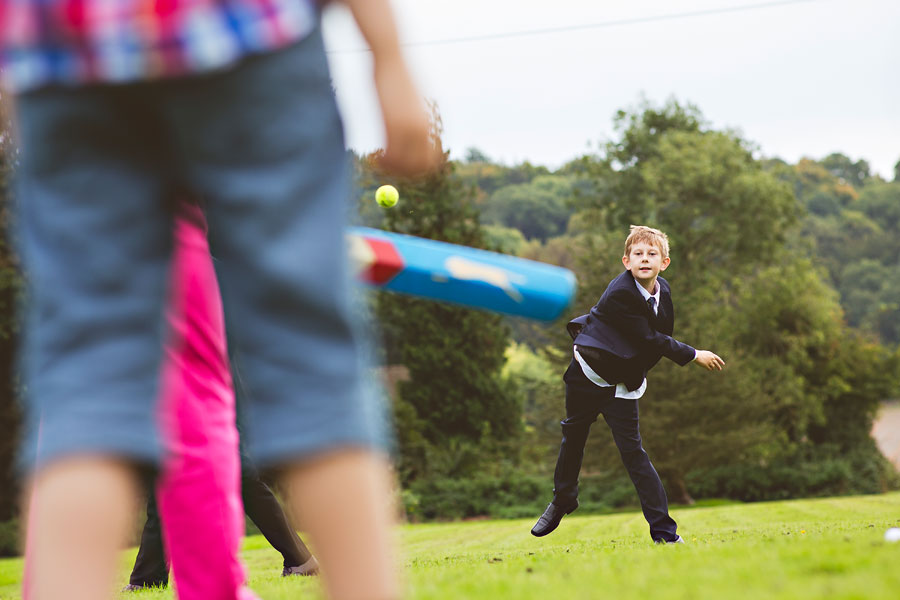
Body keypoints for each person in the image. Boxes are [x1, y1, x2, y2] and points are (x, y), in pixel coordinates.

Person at [1, 0, 437, 598]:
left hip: (69, 61)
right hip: (248, 40)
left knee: (88, 389)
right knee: (312, 365)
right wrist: (389, 61)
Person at [531, 225, 725, 542]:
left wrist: (641, 368)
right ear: (626, 261)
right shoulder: (621, 293)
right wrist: (692, 355)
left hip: (622, 384)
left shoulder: (663, 290)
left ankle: (664, 533)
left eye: (652, 254)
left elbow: (654, 340)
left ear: (664, 262)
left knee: (634, 454)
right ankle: (563, 499)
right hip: (588, 374)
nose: (644, 259)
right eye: (638, 254)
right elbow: (650, 338)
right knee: (574, 436)